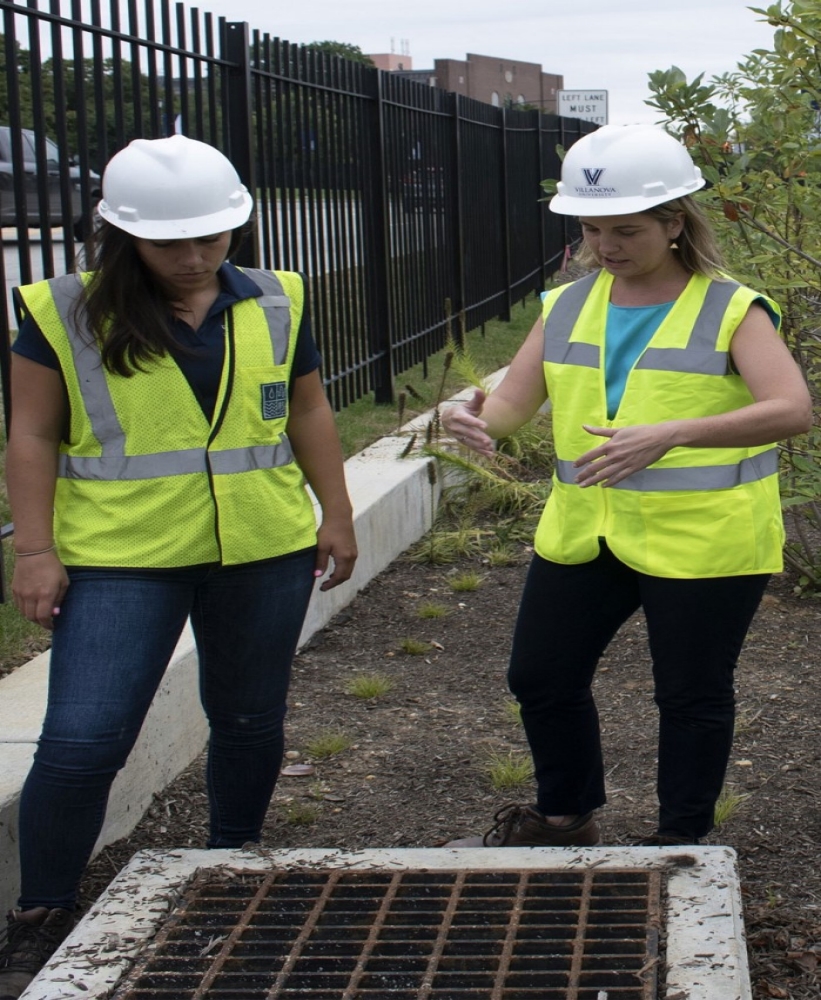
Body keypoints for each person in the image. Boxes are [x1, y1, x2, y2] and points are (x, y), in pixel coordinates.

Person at [0, 134, 357, 997]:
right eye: (170, 242)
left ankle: (230, 866)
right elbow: (33, 432)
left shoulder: (277, 298)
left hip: (260, 549)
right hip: (123, 558)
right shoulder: (63, 311)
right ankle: (42, 912)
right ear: (122, 234)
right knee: (84, 741)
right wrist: (37, 549)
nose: (194, 258)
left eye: (211, 237)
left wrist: (337, 513)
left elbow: (307, 408)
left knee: (245, 719)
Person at [442, 124, 812, 850]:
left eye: (625, 230)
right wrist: (476, 417)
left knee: (689, 695)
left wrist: (671, 432)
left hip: (704, 539)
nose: (604, 246)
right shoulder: (567, 305)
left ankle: (679, 842)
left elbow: (790, 409)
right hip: (586, 531)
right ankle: (564, 816)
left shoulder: (732, 307)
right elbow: (515, 405)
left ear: (674, 223)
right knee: (540, 676)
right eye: (590, 229)